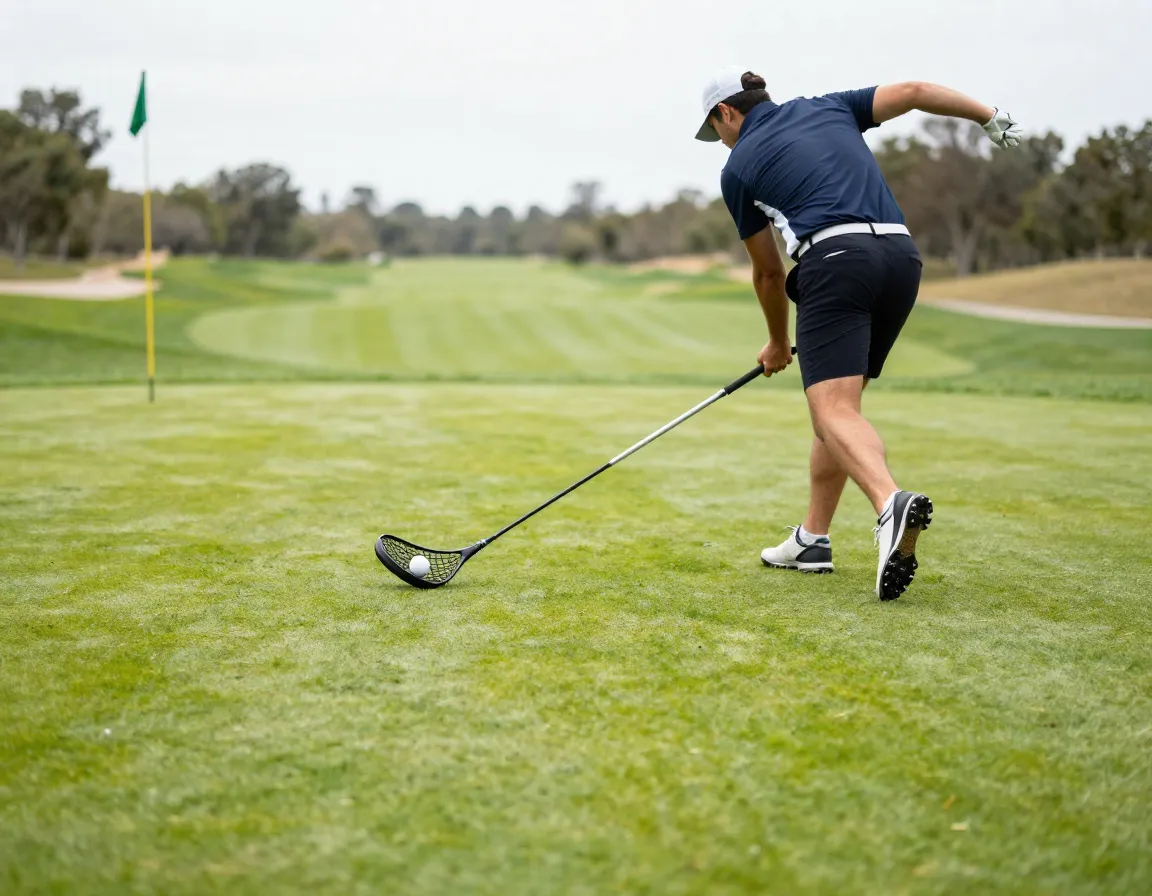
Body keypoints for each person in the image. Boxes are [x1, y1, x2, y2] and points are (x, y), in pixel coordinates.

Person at [695, 67, 1022, 600]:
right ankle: (812, 539)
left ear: (727, 112)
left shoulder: (737, 170)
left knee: (832, 411)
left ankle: (889, 503)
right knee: (841, 408)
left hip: (836, 260)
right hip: (900, 258)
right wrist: (987, 116)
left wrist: (778, 343)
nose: (721, 142)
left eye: (717, 129)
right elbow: (915, 92)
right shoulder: (829, 106)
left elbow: (769, 274)